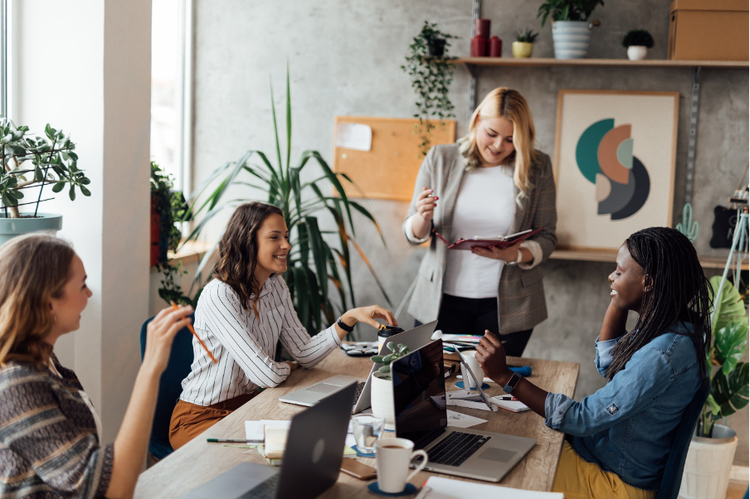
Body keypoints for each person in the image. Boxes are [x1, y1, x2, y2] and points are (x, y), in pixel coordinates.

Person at [476, 227, 711, 499]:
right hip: (602, 461)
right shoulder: (673, 329)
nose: (610, 277)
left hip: (613, 484)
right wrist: (619, 295)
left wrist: (505, 377)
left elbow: (581, 419)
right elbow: (610, 363)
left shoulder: (661, 355)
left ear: (649, 282)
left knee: (501, 471)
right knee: (514, 444)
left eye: (619, 272)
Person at [169, 202, 397, 449]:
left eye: (286, 236)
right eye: (274, 237)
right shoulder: (219, 295)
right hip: (198, 418)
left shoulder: (275, 286)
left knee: (318, 437)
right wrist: (287, 366)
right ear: (248, 241)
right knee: (285, 451)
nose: (287, 245)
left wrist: (348, 319)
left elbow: (305, 354)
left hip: (248, 407)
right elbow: (266, 375)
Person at [0, 234, 193, 498]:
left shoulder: (47, 363)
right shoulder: (18, 384)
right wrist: (150, 368)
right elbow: (113, 489)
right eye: (82, 286)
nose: (89, 294)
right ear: (48, 302)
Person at [403, 87, 557, 356]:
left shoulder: (537, 166)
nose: (499, 146)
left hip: (508, 307)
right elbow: (412, 233)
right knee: (434, 385)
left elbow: (548, 237)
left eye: (511, 139)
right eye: (492, 134)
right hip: (439, 301)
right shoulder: (441, 158)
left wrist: (516, 253)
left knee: (493, 388)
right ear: (476, 122)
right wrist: (421, 216)